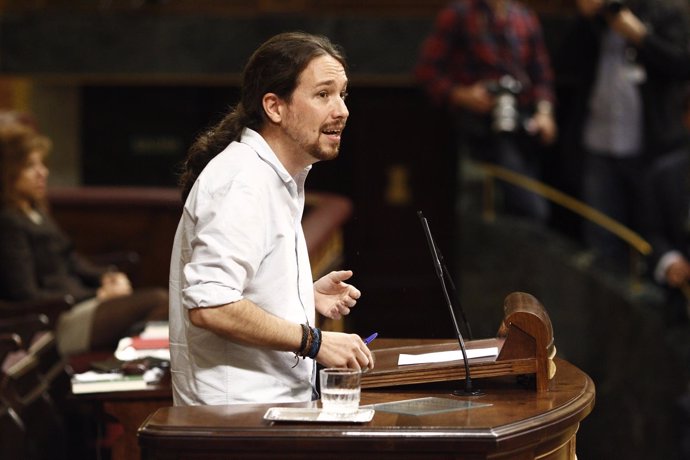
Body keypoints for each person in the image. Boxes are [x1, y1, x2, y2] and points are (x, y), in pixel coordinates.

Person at [169, 31, 373, 407]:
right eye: (323, 94)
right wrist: (315, 341)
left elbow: (237, 291)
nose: (342, 110)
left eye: (343, 94)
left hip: (265, 412)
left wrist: (298, 297)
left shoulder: (274, 176)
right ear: (275, 107)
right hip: (237, 423)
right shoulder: (242, 183)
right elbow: (210, 306)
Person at [0, 121, 169, 356]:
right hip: (56, 319)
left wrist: (107, 277)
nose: (43, 172)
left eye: (42, 164)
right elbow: (26, 295)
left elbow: (71, 261)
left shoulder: (34, 211)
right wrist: (98, 295)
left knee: (158, 306)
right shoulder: (8, 222)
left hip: (79, 304)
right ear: (7, 172)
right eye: (30, 166)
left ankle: (126, 362)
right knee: (160, 300)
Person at [557, 0, 690, 270]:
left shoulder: (664, 12)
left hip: (649, 145)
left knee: (647, 236)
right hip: (598, 140)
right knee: (601, 240)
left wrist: (640, 36)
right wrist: (585, 19)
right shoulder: (595, 20)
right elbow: (562, 65)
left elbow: (681, 65)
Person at [414, 0, 557, 223]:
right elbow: (427, 72)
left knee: (523, 211)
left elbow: (542, 76)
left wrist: (544, 112)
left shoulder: (524, 17)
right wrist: (463, 95)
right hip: (478, 132)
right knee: (515, 211)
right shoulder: (459, 15)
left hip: (523, 128)